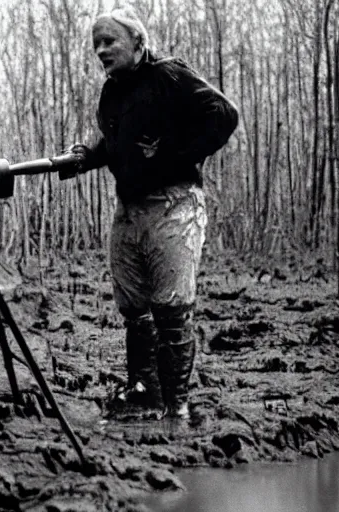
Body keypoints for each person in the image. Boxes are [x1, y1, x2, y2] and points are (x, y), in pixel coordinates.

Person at [67, 6, 238, 419]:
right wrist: (83, 155)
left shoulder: (169, 75)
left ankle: (176, 406)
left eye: (110, 42)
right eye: (97, 45)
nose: (102, 51)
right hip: (130, 208)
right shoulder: (112, 91)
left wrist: (175, 155)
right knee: (134, 307)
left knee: (171, 306)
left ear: (138, 43)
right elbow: (113, 143)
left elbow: (224, 114)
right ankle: (144, 390)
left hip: (174, 204)